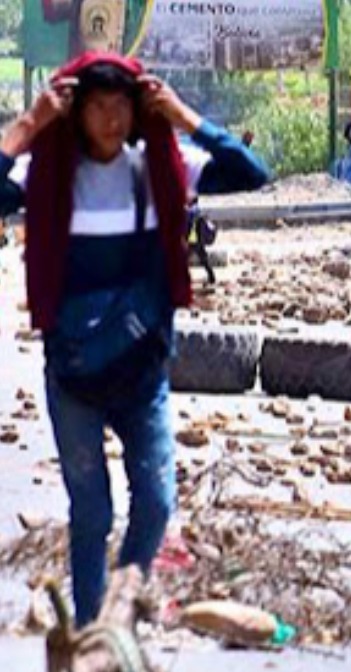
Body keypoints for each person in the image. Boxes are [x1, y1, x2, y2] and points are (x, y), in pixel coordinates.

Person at [0, 53, 269, 626]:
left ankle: (113, 619)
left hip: (142, 371)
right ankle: (92, 630)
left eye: (122, 104)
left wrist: (182, 115)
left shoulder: (161, 166)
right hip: (72, 374)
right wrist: (30, 124)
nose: (111, 118)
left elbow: (252, 172)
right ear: (76, 111)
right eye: (97, 105)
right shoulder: (46, 173)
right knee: (91, 513)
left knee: (155, 503)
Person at [186, 197, 215, 285]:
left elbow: (186, 223)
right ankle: (211, 277)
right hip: (199, 240)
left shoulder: (190, 211)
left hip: (192, 240)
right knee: (204, 259)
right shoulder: (197, 209)